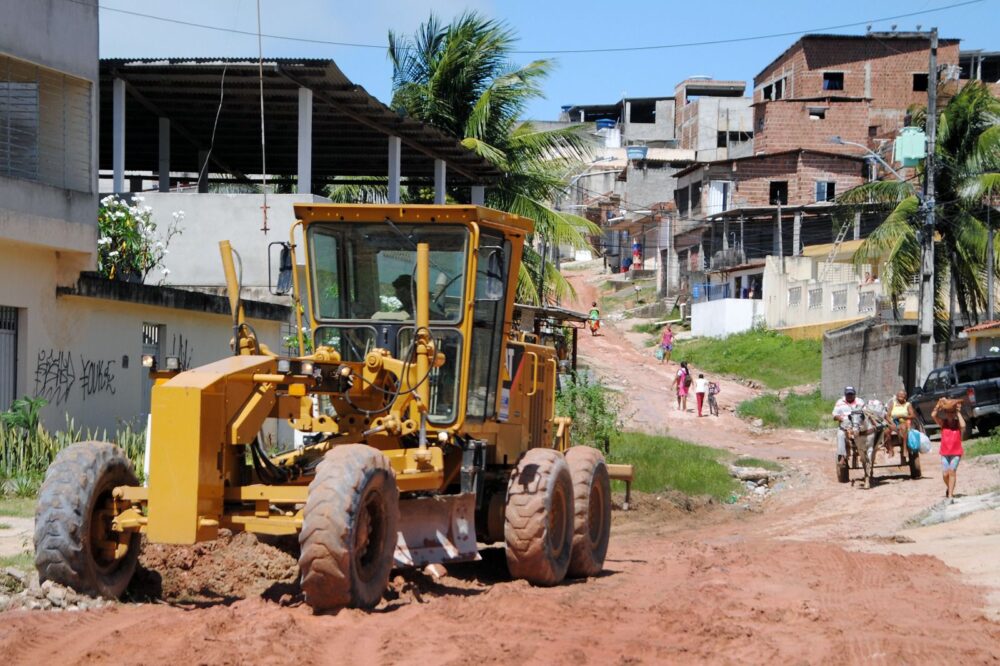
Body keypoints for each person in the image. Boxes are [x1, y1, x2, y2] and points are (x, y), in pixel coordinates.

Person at [833, 386, 872, 478]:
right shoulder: (839, 402)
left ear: (854, 394)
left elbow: (866, 412)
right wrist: (840, 418)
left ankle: (870, 449)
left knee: (869, 430)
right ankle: (842, 456)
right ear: (845, 394)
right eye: (848, 394)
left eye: (851, 394)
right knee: (840, 435)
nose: (850, 396)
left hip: (858, 423)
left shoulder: (860, 402)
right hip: (845, 424)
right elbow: (834, 415)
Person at [932, 398, 965, 499]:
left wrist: (958, 413)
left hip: (956, 452)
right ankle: (950, 487)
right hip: (945, 453)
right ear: (945, 413)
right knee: (945, 474)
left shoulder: (957, 423)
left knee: (952, 471)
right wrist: (938, 406)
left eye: (952, 412)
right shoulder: (943, 423)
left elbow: (963, 425)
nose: (950, 414)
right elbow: (933, 415)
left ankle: (950, 495)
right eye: (948, 412)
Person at [885, 390, 917, 457]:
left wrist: (902, 416)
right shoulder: (893, 404)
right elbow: (887, 415)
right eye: (899, 395)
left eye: (903, 395)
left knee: (903, 428)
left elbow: (913, 415)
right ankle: (890, 449)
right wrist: (891, 422)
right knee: (886, 431)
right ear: (897, 396)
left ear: (905, 396)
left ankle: (905, 448)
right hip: (893, 422)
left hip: (903, 422)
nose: (901, 396)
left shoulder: (908, 404)